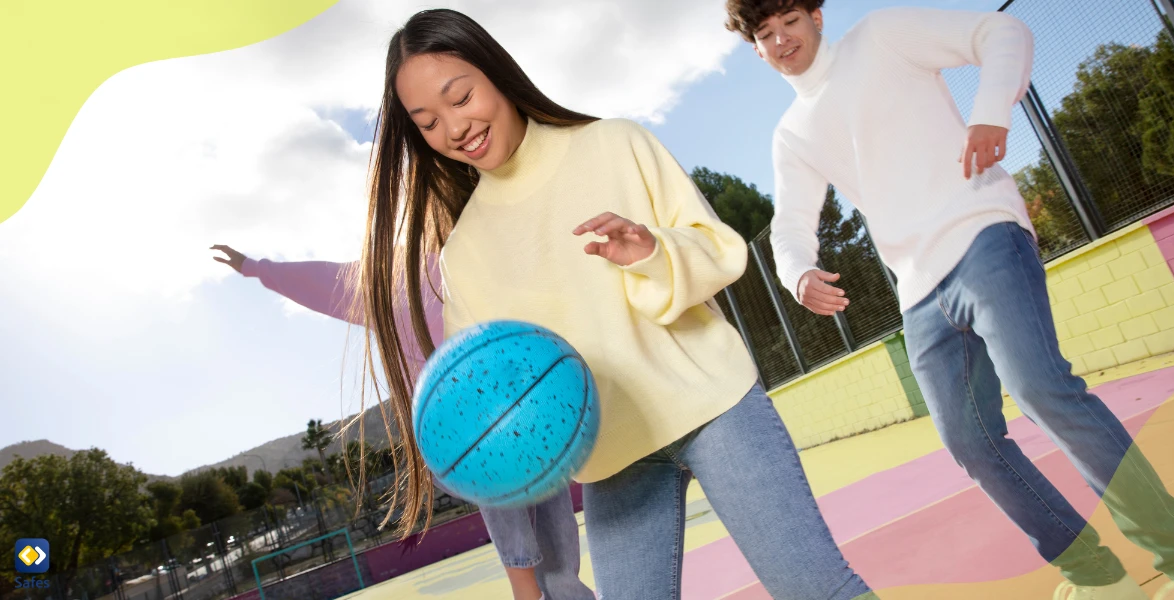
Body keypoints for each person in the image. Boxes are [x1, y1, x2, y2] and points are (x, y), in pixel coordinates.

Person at [349, 8, 876, 600]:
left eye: (461, 96)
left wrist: (653, 250)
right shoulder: (464, 254)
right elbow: (490, 412)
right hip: (610, 461)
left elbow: (722, 252)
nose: (454, 127)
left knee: (818, 589)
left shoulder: (614, 143)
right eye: (427, 122)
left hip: (713, 406)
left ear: (495, 74)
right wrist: (525, 576)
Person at [725, 1, 1174, 599]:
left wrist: (991, 112)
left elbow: (999, 30)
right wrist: (797, 274)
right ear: (756, 51)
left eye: (789, 21)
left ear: (817, 16)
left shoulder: (884, 36)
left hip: (982, 234)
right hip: (919, 290)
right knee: (969, 442)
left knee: (1042, 391)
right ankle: (1098, 578)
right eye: (766, 35)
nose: (781, 39)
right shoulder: (791, 132)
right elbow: (790, 224)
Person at [209, 246, 593, 600]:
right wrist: (251, 266)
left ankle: (564, 589)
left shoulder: (475, 249)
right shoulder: (385, 281)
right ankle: (524, 587)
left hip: (525, 417)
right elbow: (315, 279)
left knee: (547, 502)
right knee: (489, 455)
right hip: (456, 437)